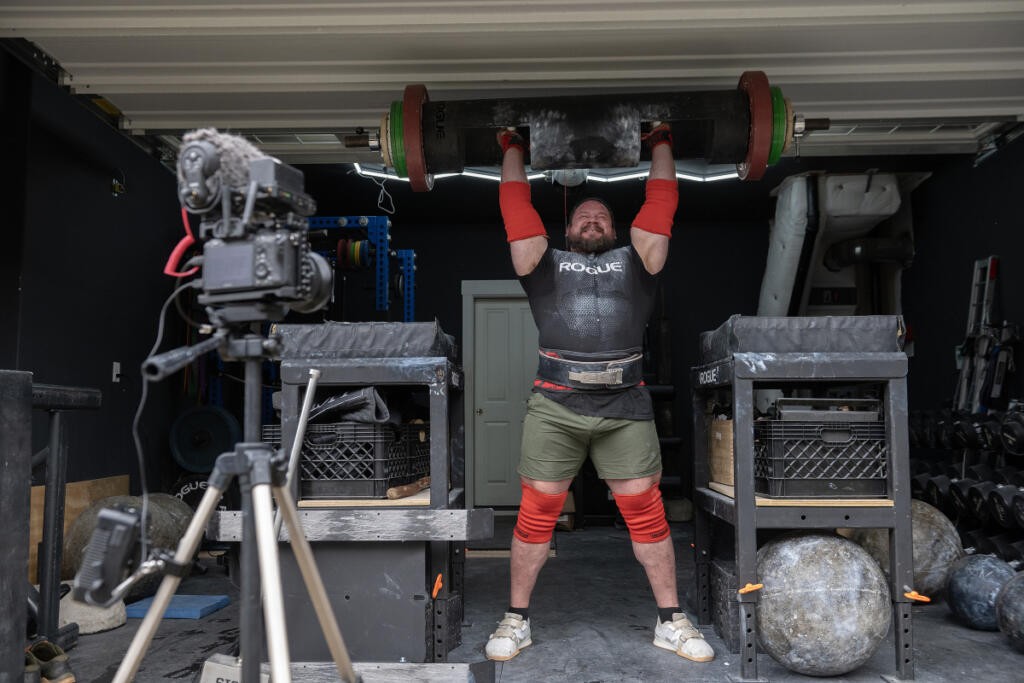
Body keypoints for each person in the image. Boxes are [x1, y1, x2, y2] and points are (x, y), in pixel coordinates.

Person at [484, 125, 715, 665]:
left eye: (603, 217)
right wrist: (513, 148)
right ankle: (515, 620)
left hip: (624, 409)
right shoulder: (542, 264)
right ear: (568, 229)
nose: (593, 220)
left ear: (616, 229)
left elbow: (661, 204)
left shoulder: (640, 262)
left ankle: (669, 622)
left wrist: (661, 140)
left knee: (648, 515)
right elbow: (516, 210)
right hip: (556, 406)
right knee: (536, 514)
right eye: (583, 217)